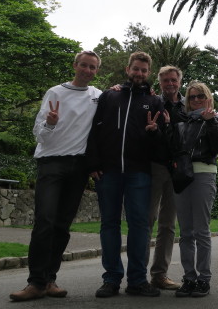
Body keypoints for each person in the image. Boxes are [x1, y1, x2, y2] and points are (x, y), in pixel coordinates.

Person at [9, 50, 102, 302]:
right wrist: (50, 122)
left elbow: (116, 102)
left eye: (92, 67)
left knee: (62, 226)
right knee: (45, 222)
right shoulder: (55, 92)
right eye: (84, 65)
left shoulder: (97, 96)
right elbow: (38, 134)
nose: (87, 70)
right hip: (51, 164)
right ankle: (35, 282)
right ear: (75, 66)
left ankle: (50, 280)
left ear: (96, 71)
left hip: (79, 167)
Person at [86, 51, 165, 298]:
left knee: (139, 226)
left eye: (143, 70)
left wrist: (154, 132)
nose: (139, 74)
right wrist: (93, 163)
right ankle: (111, 279)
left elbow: (162, 144)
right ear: (128, 68)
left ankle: (137, 281)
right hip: (108, 172)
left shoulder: (154, 102)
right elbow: (94, 130)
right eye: (136, 69)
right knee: (109, 224)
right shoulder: (110, 96)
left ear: (148, 73)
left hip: (139, 173)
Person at [172, 81, 218, 298]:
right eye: (192, 97)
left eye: (200, 96)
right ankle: (189, 278)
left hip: (204, 175)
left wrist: (211, 122)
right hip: (182, 177)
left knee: (201, 231)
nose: (196, 100)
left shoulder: (217, 119)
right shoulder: (182, 122)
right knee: (185, 232)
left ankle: (204, 279)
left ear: (208, 98)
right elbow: (173, 148)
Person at [145, 65, 188, 290]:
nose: (170, 84)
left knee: (168, 224)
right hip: (155, 167)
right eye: (165, 81)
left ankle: (159, 274)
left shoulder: (187, 106)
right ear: (160, 83)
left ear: (179, 81)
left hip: (176, 170)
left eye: (173, 80)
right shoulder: (153, 103)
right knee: (147, 220)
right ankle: (138, 276)